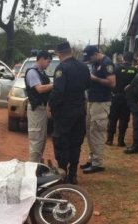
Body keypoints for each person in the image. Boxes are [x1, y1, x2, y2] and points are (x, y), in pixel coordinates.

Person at [49, 42, 90, 184]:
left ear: (59, 54)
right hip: (79, 111)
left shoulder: (62, 68)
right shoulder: (84, 67)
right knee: (75, 143)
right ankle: (73, 174)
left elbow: (58, 91)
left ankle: (62, 174)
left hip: (65, 112)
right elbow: (87, 86)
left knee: (62, 142)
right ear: (70, 51)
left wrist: (52, 107)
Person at [81, 45, 116, 173]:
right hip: (92, 101)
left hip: (101, 102)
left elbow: (112, 82)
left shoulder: (107, 63)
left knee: (97, 131)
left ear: (96, 54)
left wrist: (95, 78)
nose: (88, 60)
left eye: (89, 57)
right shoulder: (96, 64)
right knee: (90, 131)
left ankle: (98, 163)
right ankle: (92, 159)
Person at [24, 50, 53, 163]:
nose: (48, 64)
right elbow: (40, 89)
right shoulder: (32, 72)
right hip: (36, 109)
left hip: (41, 109)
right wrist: (55, 85)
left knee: (41, 139)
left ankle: (37, 166)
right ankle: (33, 169)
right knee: (36, 140)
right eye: (48, 61)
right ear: (41, 59)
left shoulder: (41, 72)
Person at [106, 52, 137, 147]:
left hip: (116, 96)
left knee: (113, 118)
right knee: (124, 118)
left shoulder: (116, 68)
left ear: (123, 58)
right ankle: (121, 140)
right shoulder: (135, 70)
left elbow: (110, 81)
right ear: (132, 60)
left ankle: (110, 139)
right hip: (127, 97)